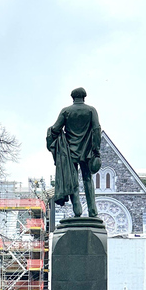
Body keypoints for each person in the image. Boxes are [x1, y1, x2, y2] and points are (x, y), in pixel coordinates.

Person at [47, 87, 102, 217]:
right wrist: (96, 149)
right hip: (87, 151)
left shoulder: (66, 111)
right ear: (84, 97)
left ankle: (77, 210)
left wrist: (51, 133)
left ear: (73, 98)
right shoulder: (91, 110)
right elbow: (96, 130)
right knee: (88, 179)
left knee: (73, 181)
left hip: (69, 151)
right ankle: (92, 211)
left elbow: (55, 128)